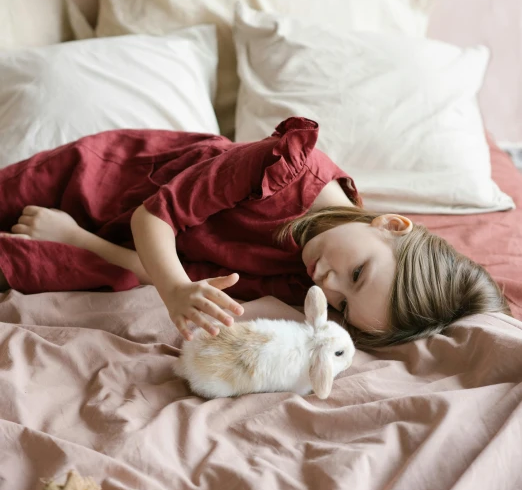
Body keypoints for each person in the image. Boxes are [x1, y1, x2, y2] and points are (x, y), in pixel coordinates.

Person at [0, 117, 510, 350]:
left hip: (140, 253)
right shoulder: (285, 168)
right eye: (357, 274)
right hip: (116, 183)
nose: (330, 285)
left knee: (30, 266)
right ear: (391, 225)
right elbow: (155, 219)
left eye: (345, 306)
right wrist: (177, 290)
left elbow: (191, 275)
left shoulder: (306, 286)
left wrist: (76, 240)